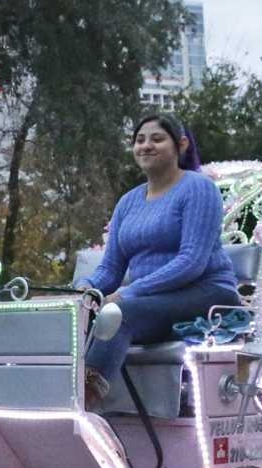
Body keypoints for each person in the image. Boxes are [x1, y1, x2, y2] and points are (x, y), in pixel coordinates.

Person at [76, 114, 239, 410]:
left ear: (181, 145)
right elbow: (110, 269)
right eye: (140, 140)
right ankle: (50, 397)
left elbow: (191, 262)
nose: (146, 146)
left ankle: (82, 404)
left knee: (117, 314)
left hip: (205, 293)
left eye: (157, 139)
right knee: (75, 318)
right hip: (152, 300)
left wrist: (129, 292)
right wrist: (83, 290)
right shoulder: (128, 202)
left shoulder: (199, 189)